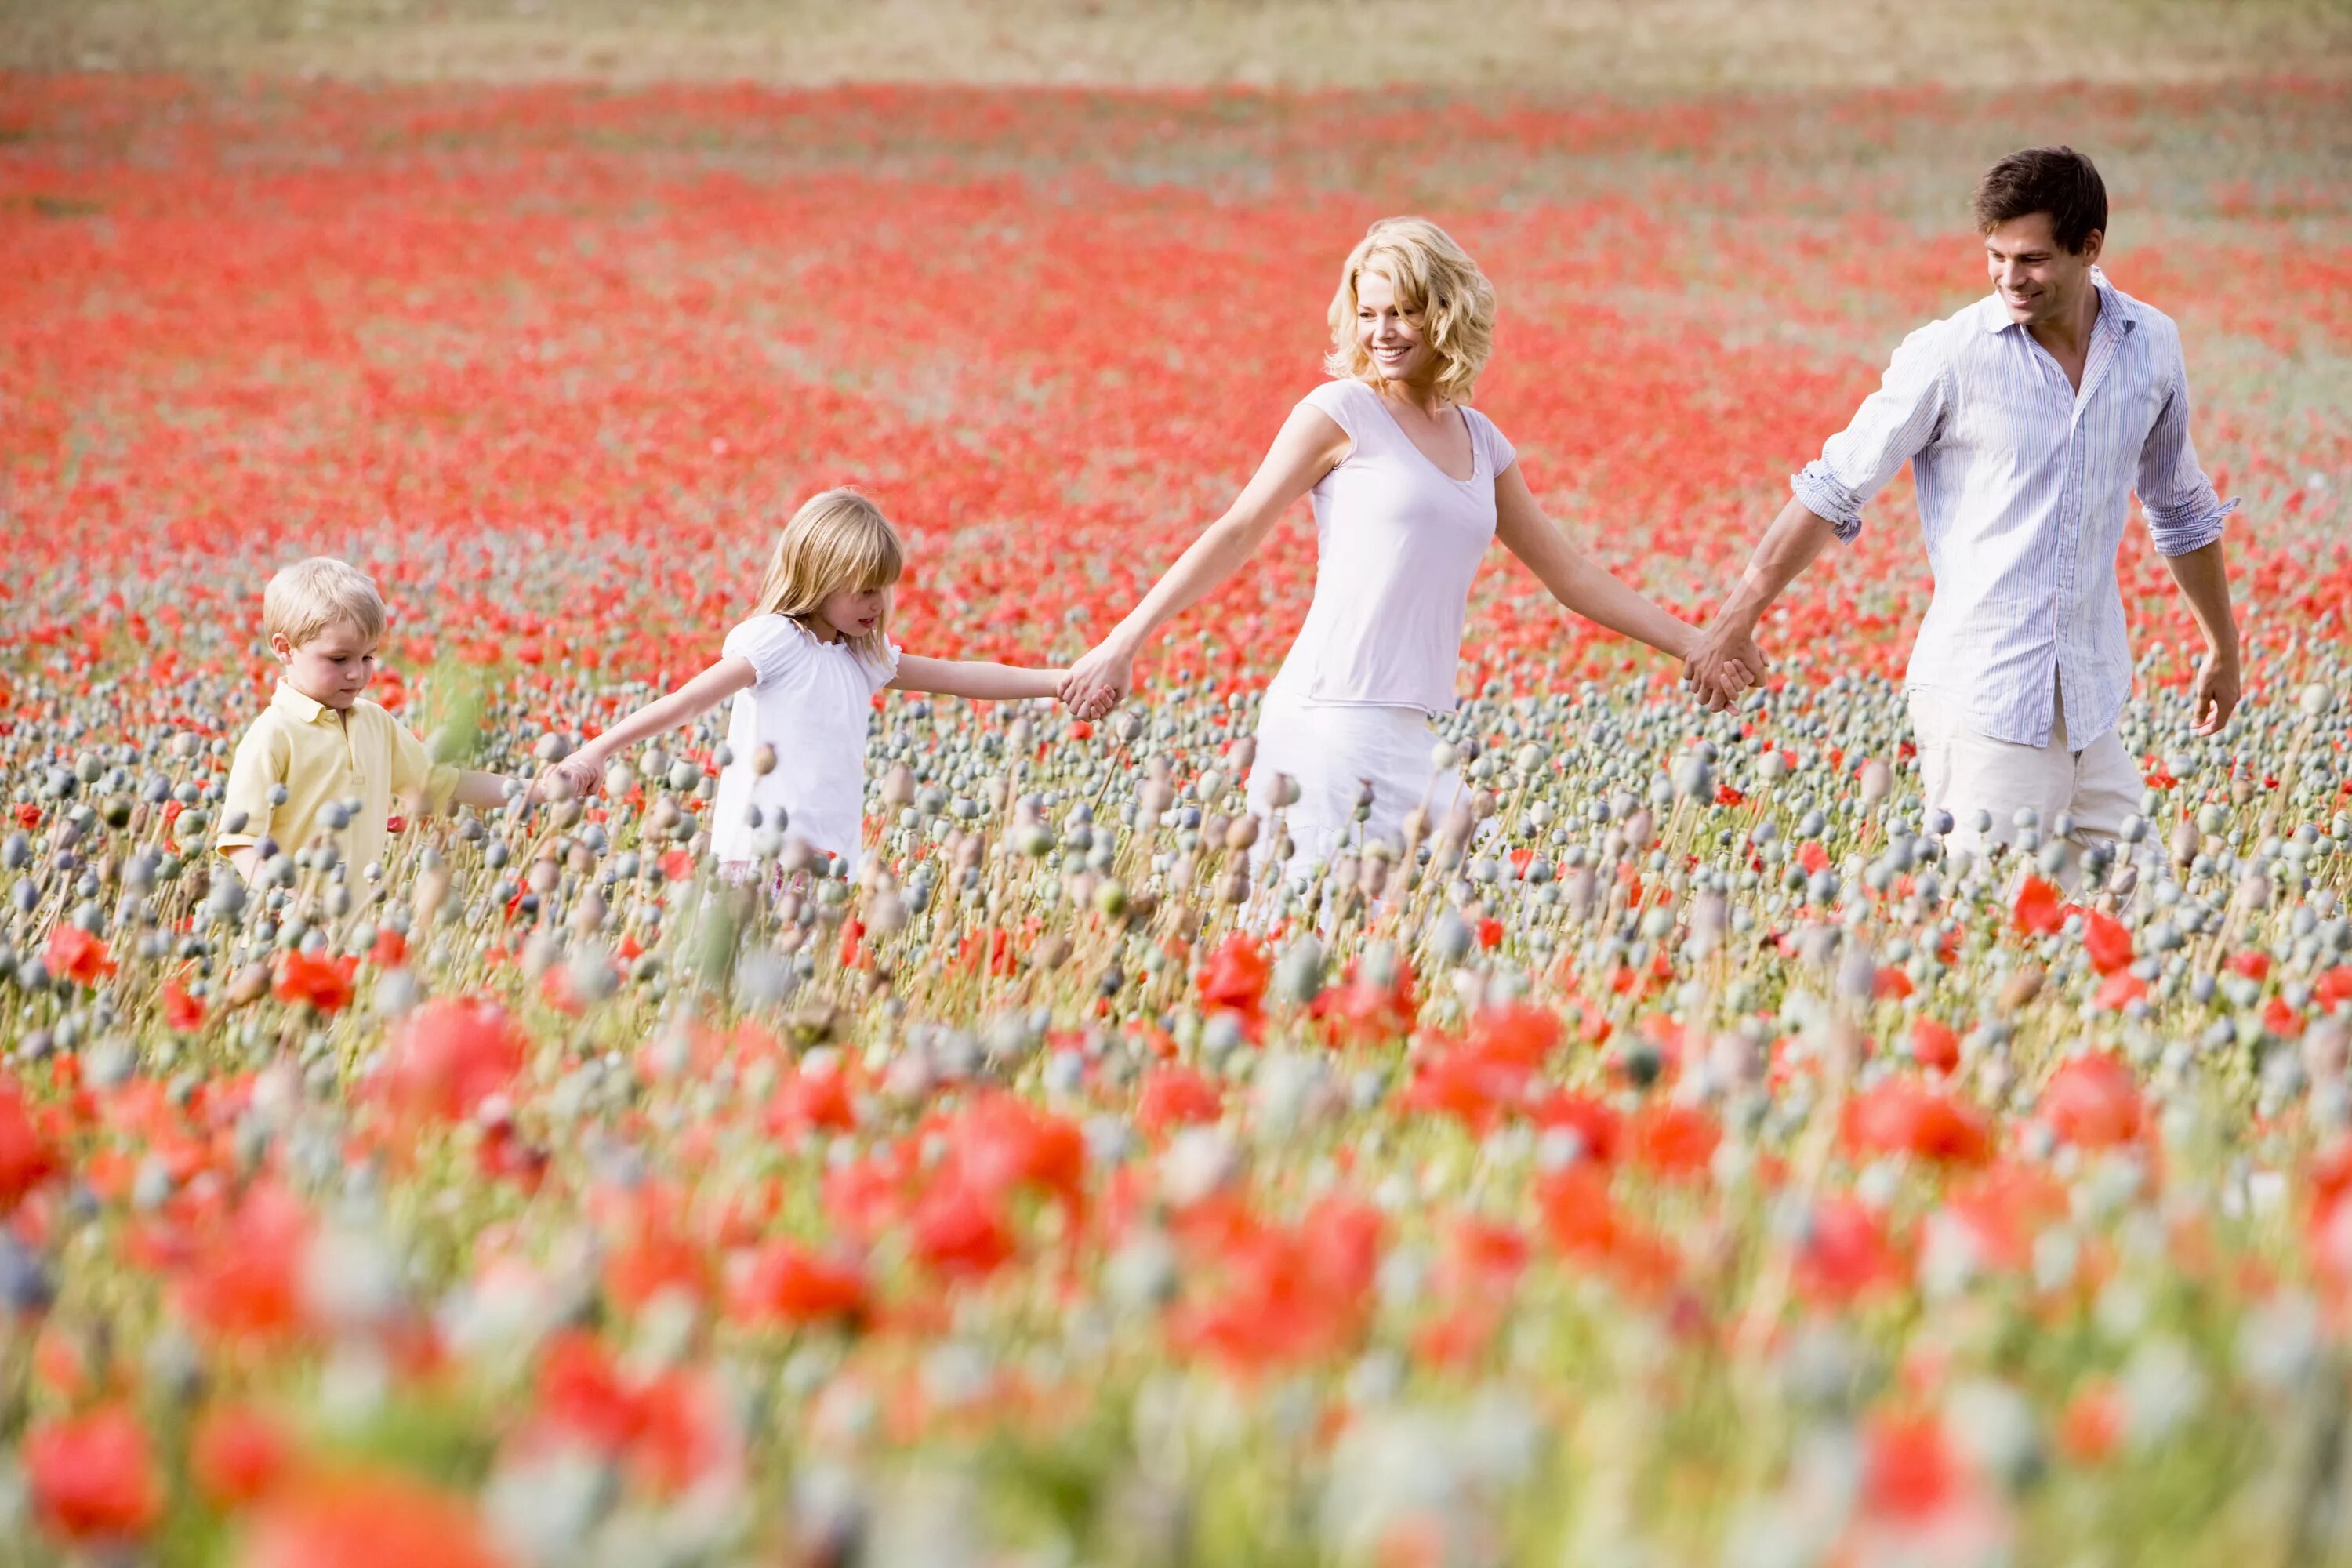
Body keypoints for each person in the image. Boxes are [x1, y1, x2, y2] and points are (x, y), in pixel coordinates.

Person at [1059, 217, 1757, 871]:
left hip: (1412, 733)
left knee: (1462, 925)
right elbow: (1236, 530)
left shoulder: (1482, 441)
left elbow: (1570, 575)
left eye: (1401, 312)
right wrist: (1123, 642)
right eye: (1367, 314)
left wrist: (1697, 643)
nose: (1381, 332)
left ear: (1445, 312)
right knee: (1313, 930)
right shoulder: (1341, 413)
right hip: (1326, 720)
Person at [1682, 146, 2241, 887]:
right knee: (1997, 925)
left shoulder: (2151, 348)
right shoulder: (1950, 356)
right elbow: (1833, 488)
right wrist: (1736, 615)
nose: (2011, 278)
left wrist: (2222, 646)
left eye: (2033, 258)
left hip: (2090, 699)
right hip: (1986, 702)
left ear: (2091, 247)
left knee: (2146, 913)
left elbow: (2180, 511)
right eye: (1996, 255)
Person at [541, 488, 1064, 880]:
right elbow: (685, 703)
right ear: (816, 578)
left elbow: (957, 677)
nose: (876, 604)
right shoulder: (776, 642)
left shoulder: (862, 658)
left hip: (829, 861)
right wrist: (598, 751)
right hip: (759, 857)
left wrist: (1058, 681)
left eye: (882, 589)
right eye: (862, 590)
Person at [216, 557, 514, 886]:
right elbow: (241, 840)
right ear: (285, 649)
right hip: (288, 926)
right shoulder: (272, 735)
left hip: (355, 924)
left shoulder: (376, 723)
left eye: (367, 657)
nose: (357, 673)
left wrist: (537, 791)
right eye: (339, 658)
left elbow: (446, 784)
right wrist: (278, 903)